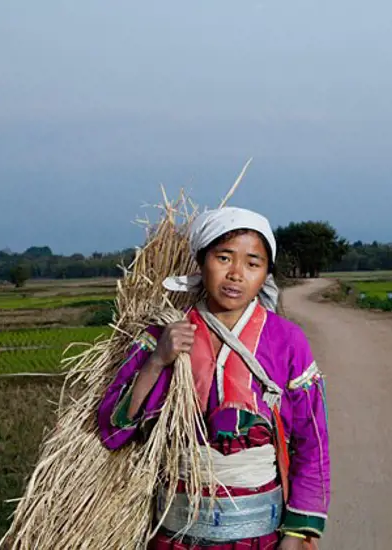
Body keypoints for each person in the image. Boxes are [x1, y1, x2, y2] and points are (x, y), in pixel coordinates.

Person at [97, 207, 330, 550]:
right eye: (224, 258)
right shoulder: (164, 334)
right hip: (176, 536)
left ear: (265, 273)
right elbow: (114, 431)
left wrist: (296, 535)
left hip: (259, 538)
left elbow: (314, 443)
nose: (236, 274)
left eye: (253, 263)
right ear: (201, 262)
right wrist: (158, 361)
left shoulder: (287, 341)